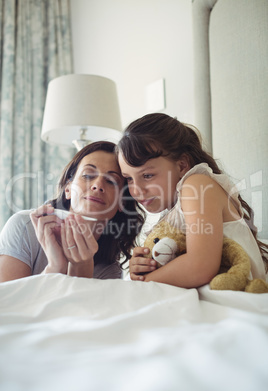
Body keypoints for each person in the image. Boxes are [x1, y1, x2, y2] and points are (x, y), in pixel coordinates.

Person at [117, 113, 268, 287]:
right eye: (128, 179)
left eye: (147, 175)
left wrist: (144, 281)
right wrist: (145, 266)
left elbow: (200, 266)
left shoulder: (196, 185)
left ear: (182, 165)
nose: (136, 189)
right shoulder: (174, 210)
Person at [0, 141, 145, 282]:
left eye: (111, 181)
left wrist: (81, 268)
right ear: (68, 189)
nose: (98, 185)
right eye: (88, 175)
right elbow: (9, 304)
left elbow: (73, 307)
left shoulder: (110, 269)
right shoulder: (25, 227)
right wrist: (55, 267)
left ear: (122, 202)